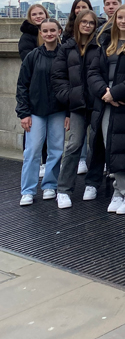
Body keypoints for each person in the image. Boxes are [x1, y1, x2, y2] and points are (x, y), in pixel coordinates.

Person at [88, 4, 125, 215]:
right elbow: (93, 72)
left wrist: (116, 93)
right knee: (110, 147)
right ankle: (119, 191)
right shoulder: (106, 43)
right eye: (120, 17)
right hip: (105, 102)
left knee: (123, 149)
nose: (123, 21)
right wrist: (104, 92)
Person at [51, 9, 101, 208]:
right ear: (78, 23)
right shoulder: (67, 47)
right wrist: (70, 97)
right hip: (78, 105)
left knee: (97, 143)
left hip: (97, 102)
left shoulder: (100, 46)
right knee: (73, 145)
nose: (87, 25)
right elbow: (57, 77)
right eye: (84, 22)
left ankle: (93, 182)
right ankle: (63, 189)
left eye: (91, 23)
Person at [16, 19, 66, 205]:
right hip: (35, 111)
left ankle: (50, 186)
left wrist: (68, 113)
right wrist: (23, 113)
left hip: (58, 110)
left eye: (53, 30)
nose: (49, 33)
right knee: (33, 150)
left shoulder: (65, 55)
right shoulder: (33, 56)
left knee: (56, 150)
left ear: (59, 31)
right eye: (45, 31)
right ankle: (28, 190)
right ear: (41, 33)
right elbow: (22, 85)